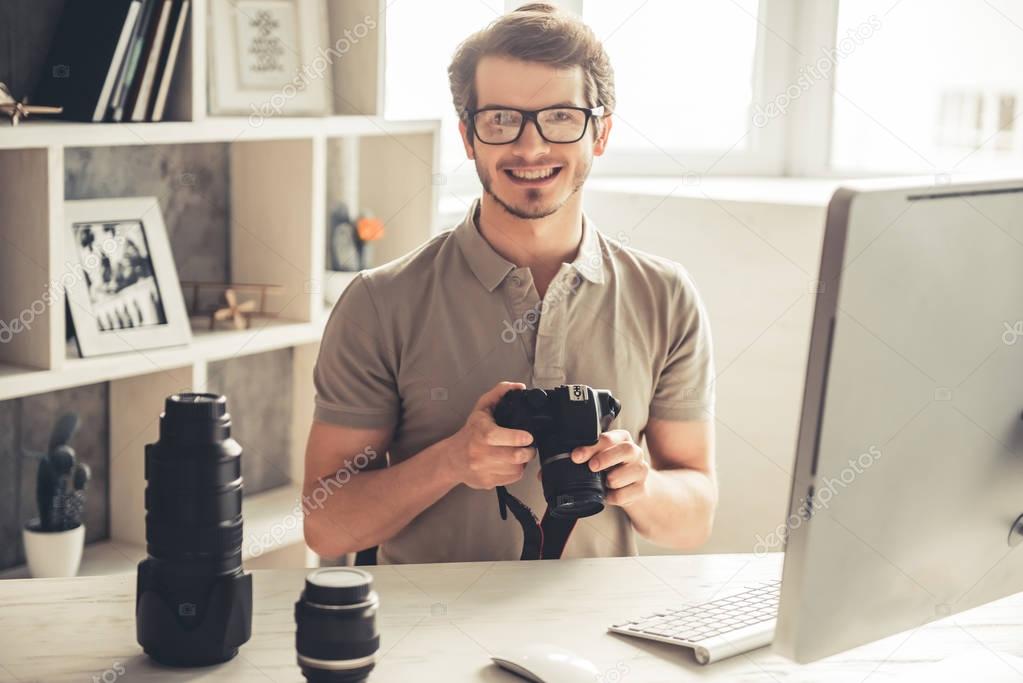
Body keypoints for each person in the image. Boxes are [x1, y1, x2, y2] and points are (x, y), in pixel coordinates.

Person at [304, 3, 717, 564]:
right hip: (426, 638)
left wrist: (641, 483)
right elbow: (326, 528)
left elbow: (694, 519)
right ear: (469, 137)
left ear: (601, 133)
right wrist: (450, 461)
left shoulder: (666, 297)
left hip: (597, 639)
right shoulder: (380, 302)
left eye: (561, 116)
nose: (530, 147)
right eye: (500, 119)